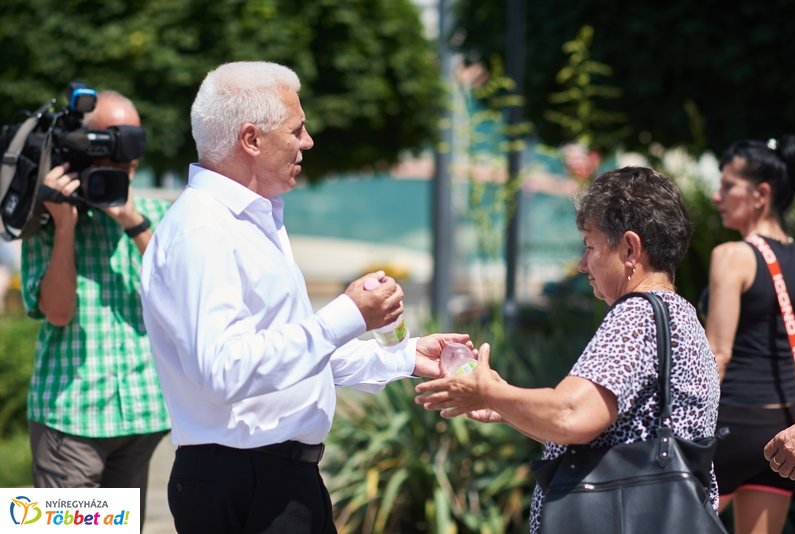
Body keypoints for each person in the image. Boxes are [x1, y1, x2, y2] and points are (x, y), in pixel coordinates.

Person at [138, 60, 470, 534]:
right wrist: (347, 315)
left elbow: (296, 354)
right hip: (244, 483)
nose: (308, 141)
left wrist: (404, 357)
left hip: (272, 480)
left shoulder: (249, 221)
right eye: (297, 129)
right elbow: (222, 370)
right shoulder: (203, 230)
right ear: (251, 140)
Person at [415, 166, 721, 534]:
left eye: (590, 246)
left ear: (630, 248)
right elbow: (609, 436)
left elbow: (572, 416)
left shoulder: (637, 315)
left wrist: (490, 391)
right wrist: (503, 402)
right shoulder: (681, 314)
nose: (582, 264)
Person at [20, 91, 170, 529]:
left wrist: (133, 223)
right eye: (109, 143)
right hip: (72, 420)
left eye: (132, 145)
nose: (125, 156)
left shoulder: (158, 216)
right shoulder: (45, 223)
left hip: (141, 417)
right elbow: (59, 313)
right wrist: (64, 226)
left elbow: (188, 298)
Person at [702, 135, 795, 534]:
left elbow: (717, 353)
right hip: (785, 432)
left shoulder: (732, 256)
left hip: (733, 425)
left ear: (761, 194)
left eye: (727, 186)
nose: (716, 195)